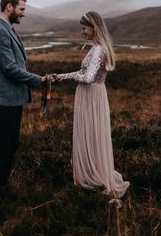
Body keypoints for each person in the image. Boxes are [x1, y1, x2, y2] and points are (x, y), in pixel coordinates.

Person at [53, 11, 129, 199]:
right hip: (93, 95)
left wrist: (66, 78)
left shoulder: (98, 50)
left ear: (95, 28)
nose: (82, 32)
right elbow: (83, 71)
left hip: (91, 96)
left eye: (84, 28)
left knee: (90, 133)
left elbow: (87, 77)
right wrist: (61, 77)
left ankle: (93, 177)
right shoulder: (97, 47)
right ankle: (93, 172)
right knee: (92, 133)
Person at [0, 0, 45, 195]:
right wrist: (38, 81)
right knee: (3, 145)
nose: (23, 14)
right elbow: (9, 68)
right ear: (9, 7)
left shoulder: (7, 29)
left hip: (11, 99)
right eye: (22, 9)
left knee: (9, 144)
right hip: (4, 100)